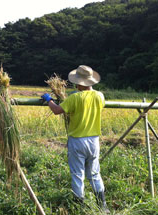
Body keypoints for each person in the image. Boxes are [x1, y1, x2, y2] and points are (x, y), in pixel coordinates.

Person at [41, 65, 109, 213]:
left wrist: (49, 100)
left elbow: (57, 110)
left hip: (77, 141)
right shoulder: (100, 96)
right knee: (95, 173)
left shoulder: (74, 98)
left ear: (78, 83)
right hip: (94, 141)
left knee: (78, 174)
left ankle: (79, 207)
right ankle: (103, 207)